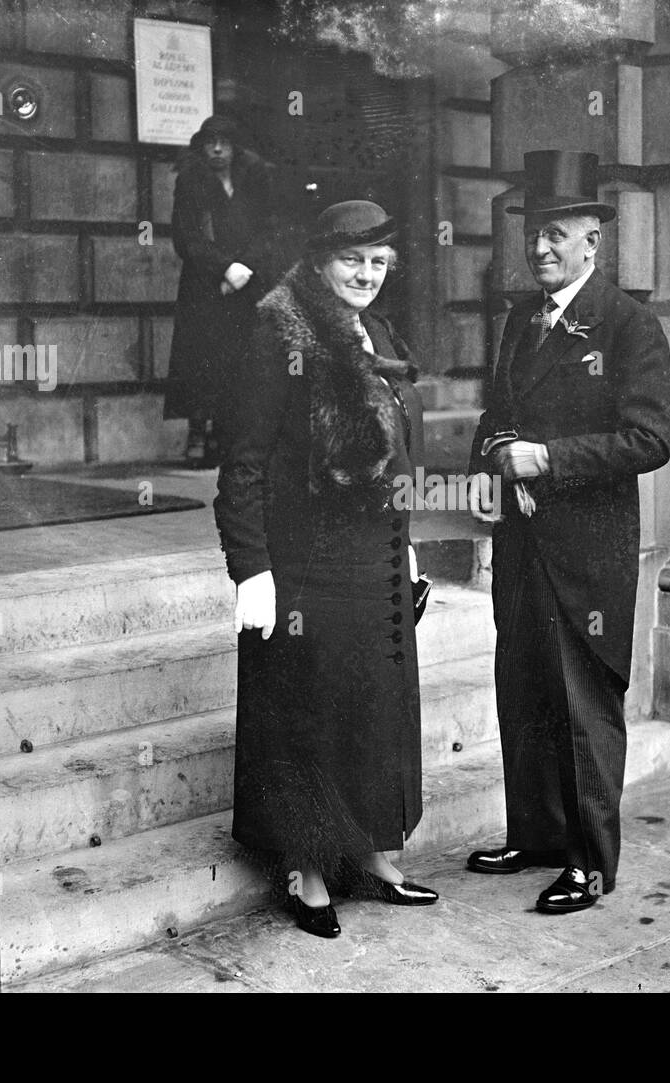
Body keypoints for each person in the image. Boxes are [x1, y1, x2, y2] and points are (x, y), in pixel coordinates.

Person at [214, 200, 438, 939]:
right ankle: (307, 870)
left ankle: (373, 850)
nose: (366, 275)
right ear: (319, 261)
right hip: (306, 563)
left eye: (378, 262)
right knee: (309, 712)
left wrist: (404, 543)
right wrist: (251, 568)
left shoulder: (376, 332)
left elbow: (397, 448)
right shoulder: (280, 329)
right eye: (352, 261)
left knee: (376, 709)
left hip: (374, 560)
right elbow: (243, 461)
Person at [464, 151, 670, 912]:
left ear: (593, 239)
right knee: (522, 689)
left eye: (558, 234)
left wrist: (545, 460)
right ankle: (538, 833)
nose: (542, 249)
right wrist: (498, 455)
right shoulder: (522, 319)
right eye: (533, 235)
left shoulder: (627, 325)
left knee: (584, 704)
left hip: (587, 552)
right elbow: (495, 418)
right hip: (523, 547)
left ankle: (588, 860)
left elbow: (649, 440)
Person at [165, 115, 275, 467]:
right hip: (204, 286)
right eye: (210, 142)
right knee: (201, 359)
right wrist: (224, 268)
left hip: (248, 284)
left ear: (235, 146)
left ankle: (230, 437)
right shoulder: (190, 179)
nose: (216, 149)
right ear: (201, 146)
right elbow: (186, 237)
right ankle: (199, 435)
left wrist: (245, 267)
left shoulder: (254, 177)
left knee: (243, 358)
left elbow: (268, 228)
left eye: (224, 142)